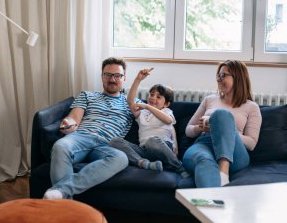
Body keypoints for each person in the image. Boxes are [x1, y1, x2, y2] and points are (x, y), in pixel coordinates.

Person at [43, 57, 136, 199]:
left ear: (124, 79)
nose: (112, 79)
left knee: (121, 158)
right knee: (61, 146)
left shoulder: (130, 104)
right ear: (102, 77)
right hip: (82, 137)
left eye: (117, 75)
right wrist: (67, 123)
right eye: (108, 75)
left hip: (108, 144)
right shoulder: (87, 95)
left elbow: (153, 119)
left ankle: (61, 192)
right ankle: (66, 208)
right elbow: (73, 117)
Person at [183, 60, 262, 188]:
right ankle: (211, 203)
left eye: (223, 75)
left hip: (234, 152)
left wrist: (225, 129)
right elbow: (188, 130)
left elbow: (251, 143)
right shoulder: (209, 100)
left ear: (238, 78)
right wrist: (200, 128)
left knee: (222, 115)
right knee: (203, 159)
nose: (219, 79)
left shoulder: (251, 107)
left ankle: (223, 170)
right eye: (218, 75)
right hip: (205, 144)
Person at [110, 68, 188, 177]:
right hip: (145, 151)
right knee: (114, 141)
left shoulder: (166, 111)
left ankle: (178, 166)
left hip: (162, 147)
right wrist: (138, 79)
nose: (153, 98)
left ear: (166, 104)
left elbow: (168, 120)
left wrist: (147, 106)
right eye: (151, 94)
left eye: (158, 97)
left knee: (152, 141)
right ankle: (143, 163)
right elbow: (130, 101)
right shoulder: (142, 113)